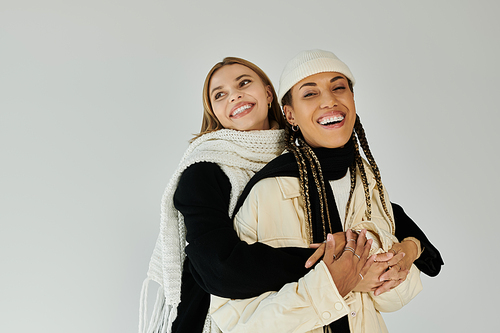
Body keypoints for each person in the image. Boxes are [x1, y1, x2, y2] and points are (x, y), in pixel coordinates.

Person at [139, 55, 443, 333]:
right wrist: (335, 266)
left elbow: (389, 214)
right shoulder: (205, 170)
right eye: (219, 94)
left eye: (244, 82)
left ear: (269, 93)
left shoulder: (305, 158)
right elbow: (218, 267)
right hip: (210, 315)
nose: (234, 95)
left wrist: (412, 248)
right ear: (215, 113)